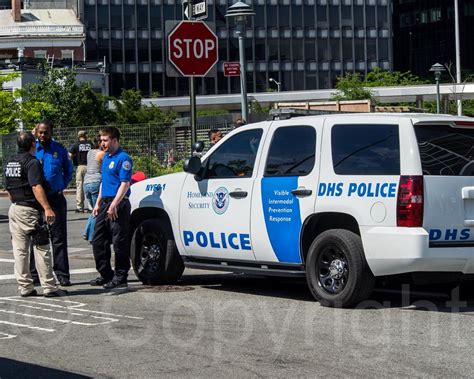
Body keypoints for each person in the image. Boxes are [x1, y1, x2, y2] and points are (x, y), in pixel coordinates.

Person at [5, 132, 67, 297]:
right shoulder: (32, 162)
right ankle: (49, 286)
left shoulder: (10, 161)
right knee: (41, 247)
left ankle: (25, 286)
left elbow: (9, 188)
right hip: (30, 209)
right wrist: (47, 207)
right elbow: (36, 186)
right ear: (33, 144)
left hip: (15, 208)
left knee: (20, 250)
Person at [31, 120, 73, 287]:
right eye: (40, 132)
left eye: (45, 132)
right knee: (37, 236)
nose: (42, 135)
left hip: (55, 198)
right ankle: (35, 275)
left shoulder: (59, 150)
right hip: (37, 200)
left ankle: (62, 274)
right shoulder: (33, 150)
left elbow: (68, 170)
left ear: (51, 132)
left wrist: (61, 185)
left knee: (58, 238)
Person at [91, 126, 133, 289]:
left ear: (114, 140)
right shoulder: (106, 158)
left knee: (119, 241)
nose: (102, 143)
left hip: (118, 204)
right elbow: (104, 182)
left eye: (105, 140)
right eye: (101, 140)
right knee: (98, 240)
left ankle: (121, 276)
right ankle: (106, 274)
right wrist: (98, 203)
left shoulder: (124, 158)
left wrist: (115, 204)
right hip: (105, 203)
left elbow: (125, 183)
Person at [82, 136, 105, 242]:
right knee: (98, 210)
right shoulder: (101, 154)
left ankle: (86, 233)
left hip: (86, 182)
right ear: (100, 143)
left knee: (94, 209)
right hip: (96, 181)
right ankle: (93, 236)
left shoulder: (89, 152)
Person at [69, 131, 93, 213]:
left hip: (80, 166)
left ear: (78, 136)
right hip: (90, 166)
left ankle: (80, 207)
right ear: (86, 135)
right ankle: (91, 207)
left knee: (79, 186)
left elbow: (70, 155)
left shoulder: (76, 144)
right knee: (90, 186)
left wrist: (74, 159)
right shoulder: (90, 144)